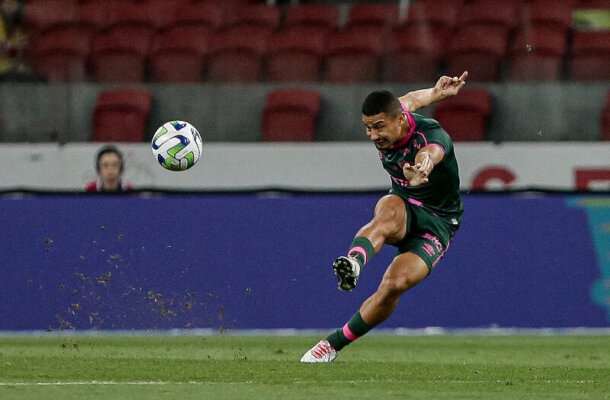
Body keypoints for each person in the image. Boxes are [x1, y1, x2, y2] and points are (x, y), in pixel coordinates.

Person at [300, 72, 468, 363]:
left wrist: (422, 167)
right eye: (367, 128)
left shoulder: (434, 136)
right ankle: (354, 262)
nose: (373, 135)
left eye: (379, 127)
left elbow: (431, 153)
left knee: (394, 285)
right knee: (387, 212)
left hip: (439, 223)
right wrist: (437, 92)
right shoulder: (396, 115)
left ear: (400, 120)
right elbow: (413, 99)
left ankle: (333, 344)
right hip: (404, 202)